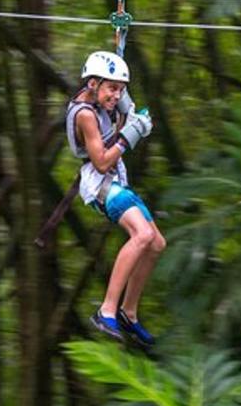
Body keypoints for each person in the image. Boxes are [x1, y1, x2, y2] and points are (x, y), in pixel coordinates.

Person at [66, 50, 166, 348]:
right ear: (93, 83)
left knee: (157, 244)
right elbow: (101, 162)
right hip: (99, 183)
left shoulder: (102, 99)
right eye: (112, 89)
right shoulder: (84, 114)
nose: (116, 95)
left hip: (116, 181)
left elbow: (117, 107)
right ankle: (106, 310)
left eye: (120, 89)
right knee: (143, 234)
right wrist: (130, 135)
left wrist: (124, 107)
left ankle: (128, 313)